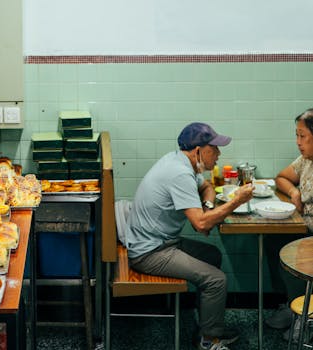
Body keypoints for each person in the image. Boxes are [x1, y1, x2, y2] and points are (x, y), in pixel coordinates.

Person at [125, 122, 254, 350]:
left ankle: (205, 324)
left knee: (212, 255)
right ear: (198, 151)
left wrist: (207, 206)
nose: (218, 154)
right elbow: (201, 225)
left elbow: (207, 189)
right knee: (216, 279)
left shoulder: (179, 161)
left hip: (161, 241)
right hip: (149, 251)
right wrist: (236, 201)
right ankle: (208, 339)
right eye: (214, 148)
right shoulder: (180, 173)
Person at [265, 108, 313, 340]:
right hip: (303, 227)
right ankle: (291, 303)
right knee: (273, 242)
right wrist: (294, 192)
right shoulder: (306, 160)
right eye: (297, 135)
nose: (298, 142)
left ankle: (304, 316)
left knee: (292, 252)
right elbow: (281, 177)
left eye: (302, 136)